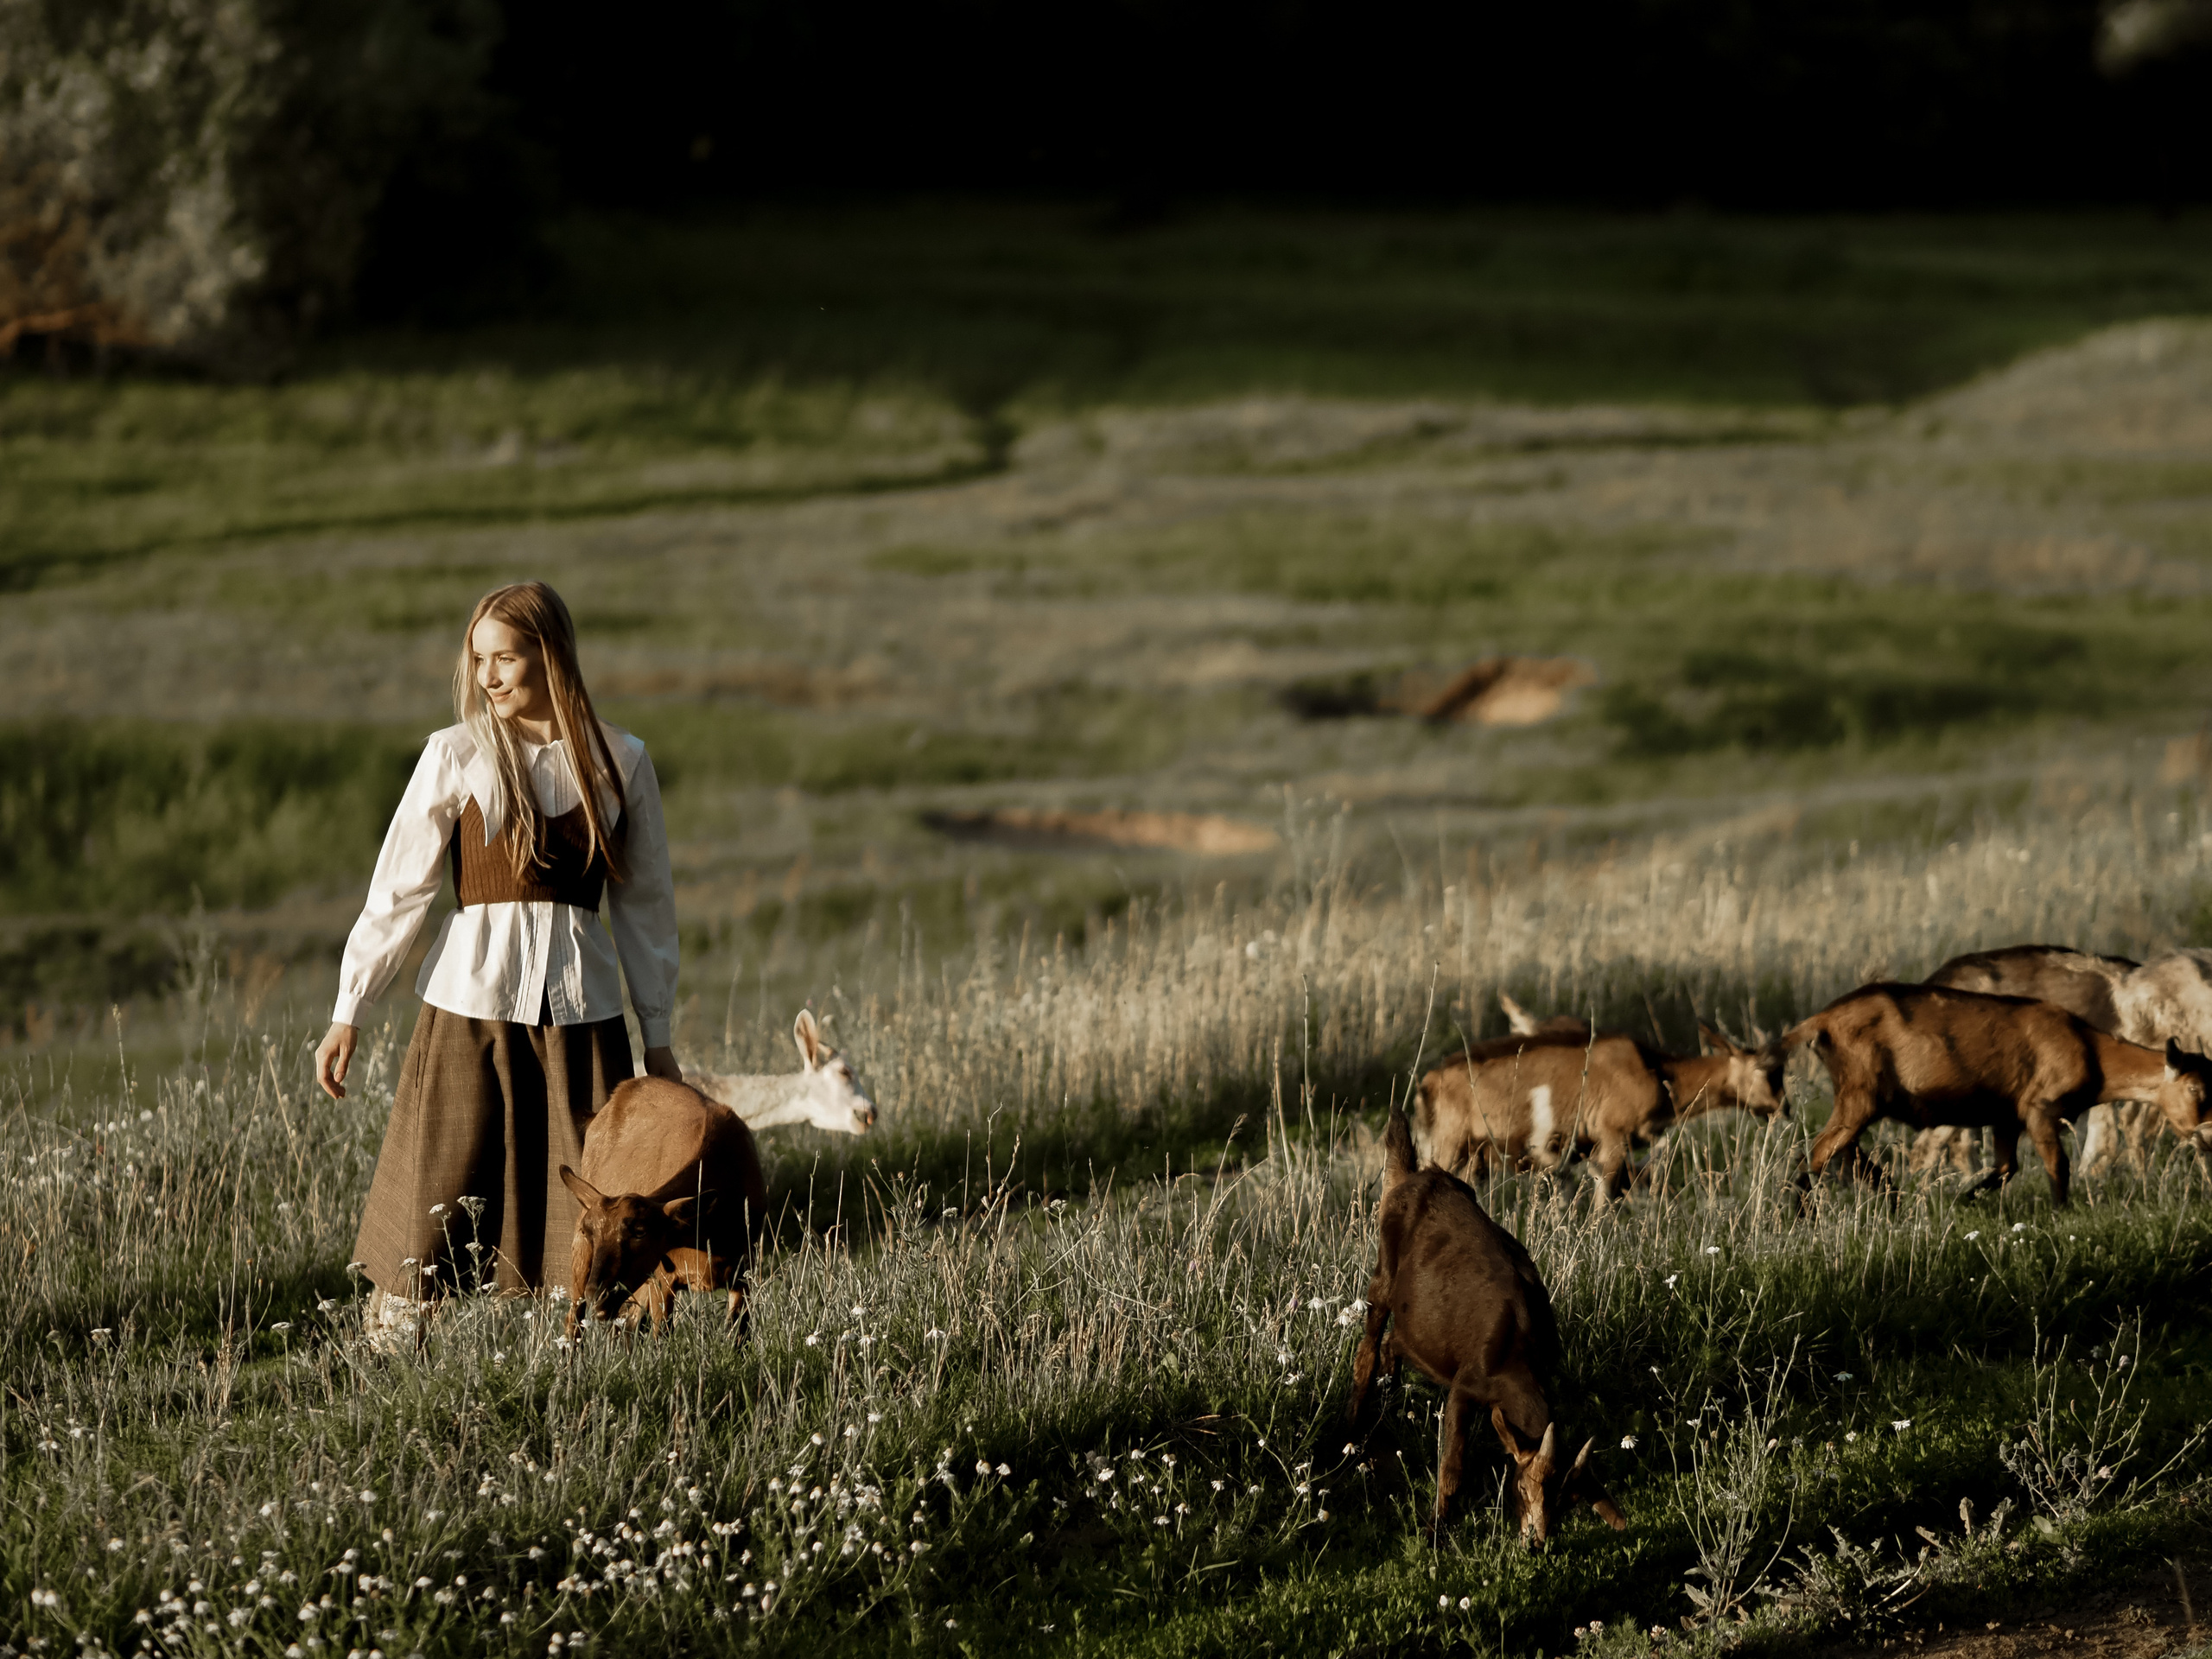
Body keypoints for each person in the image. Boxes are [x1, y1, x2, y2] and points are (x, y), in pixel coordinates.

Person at [314, 581, 679, 1344]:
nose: (486, 676)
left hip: (583, 1018)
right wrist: (351, 1007)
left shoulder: (621, 760)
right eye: (477, 659)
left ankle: (586, 1353)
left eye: (504, 658)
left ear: (551, 654)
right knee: (443, 1185)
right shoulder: (456, 754)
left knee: (592, 1202)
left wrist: (657, 1037)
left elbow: (646, 909)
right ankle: (395, 1351)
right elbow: (399, 890)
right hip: (468, 1009)